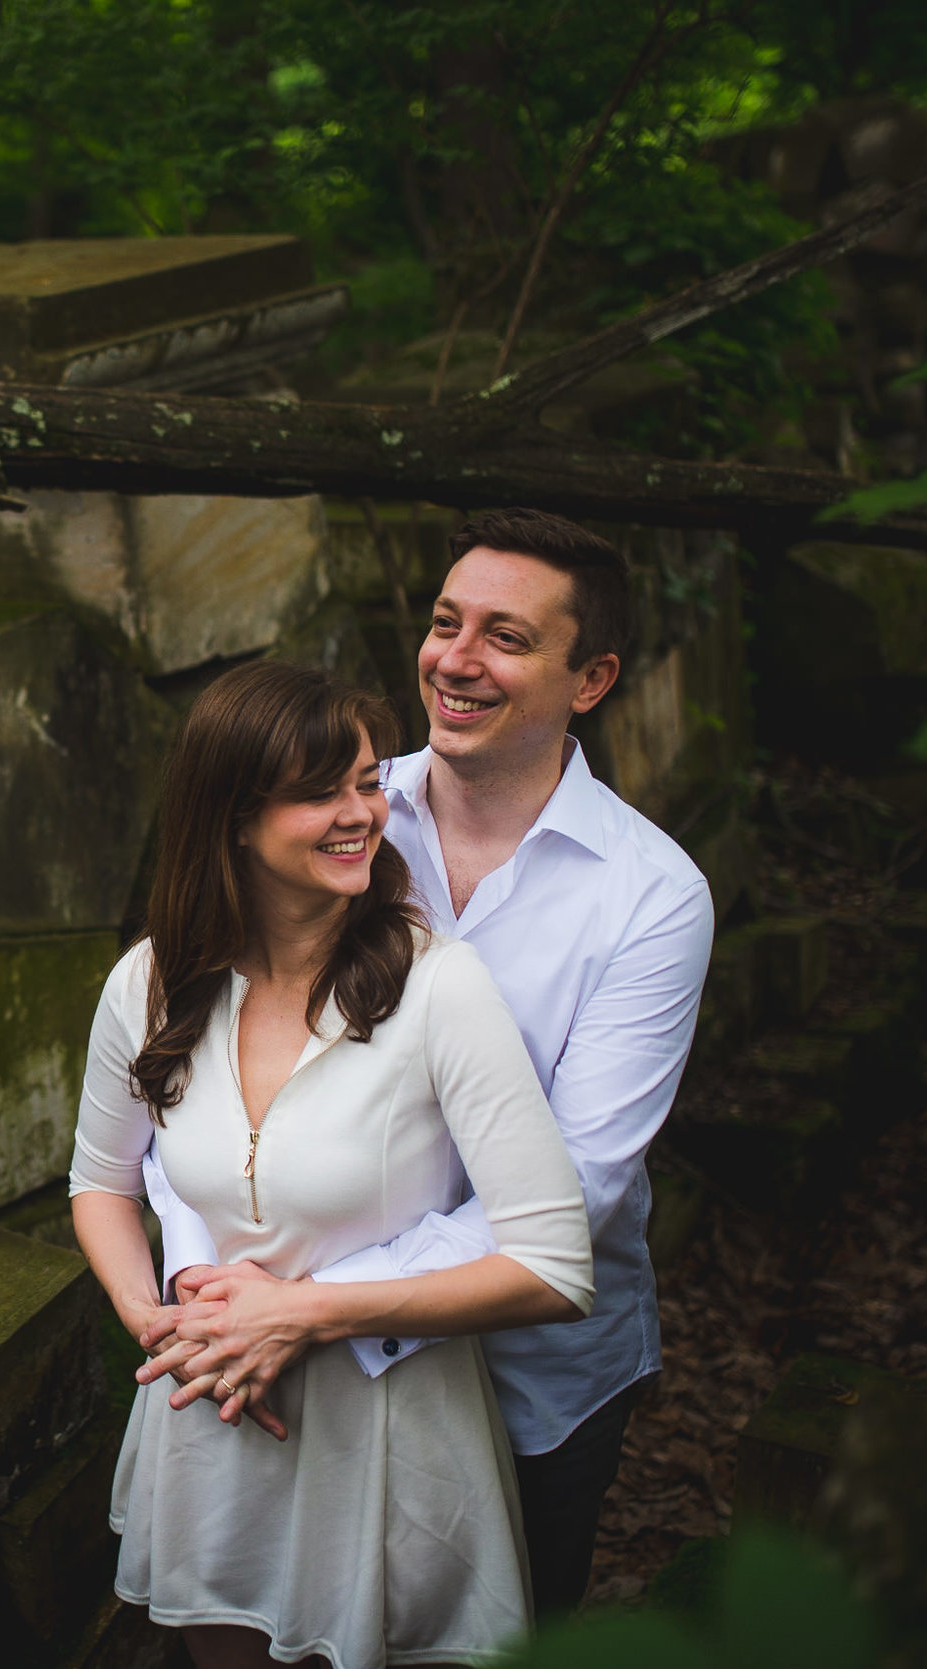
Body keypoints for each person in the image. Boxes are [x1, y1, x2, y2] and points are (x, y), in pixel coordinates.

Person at [144, 507, 718, 1620]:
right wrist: (206, 1290)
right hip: (276, 1357)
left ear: (588, 678)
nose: (453, 659)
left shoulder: (650, 898)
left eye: (504, 636)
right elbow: (191, 1073)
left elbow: (581, 1191)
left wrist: (300, 1307)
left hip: (521, 1383)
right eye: (445, 621)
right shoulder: (331, 815)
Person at [68, 658, 595, 1669]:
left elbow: (554, 1263)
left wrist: (302, 1312)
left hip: (385, 1438)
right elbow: (100, 1180)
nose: (360, 813)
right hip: (212, 1420)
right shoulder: (147, 982)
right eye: (320, 791)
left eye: (364, 782)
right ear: (230, 816)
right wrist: (162, 1324)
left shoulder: (439, 989)